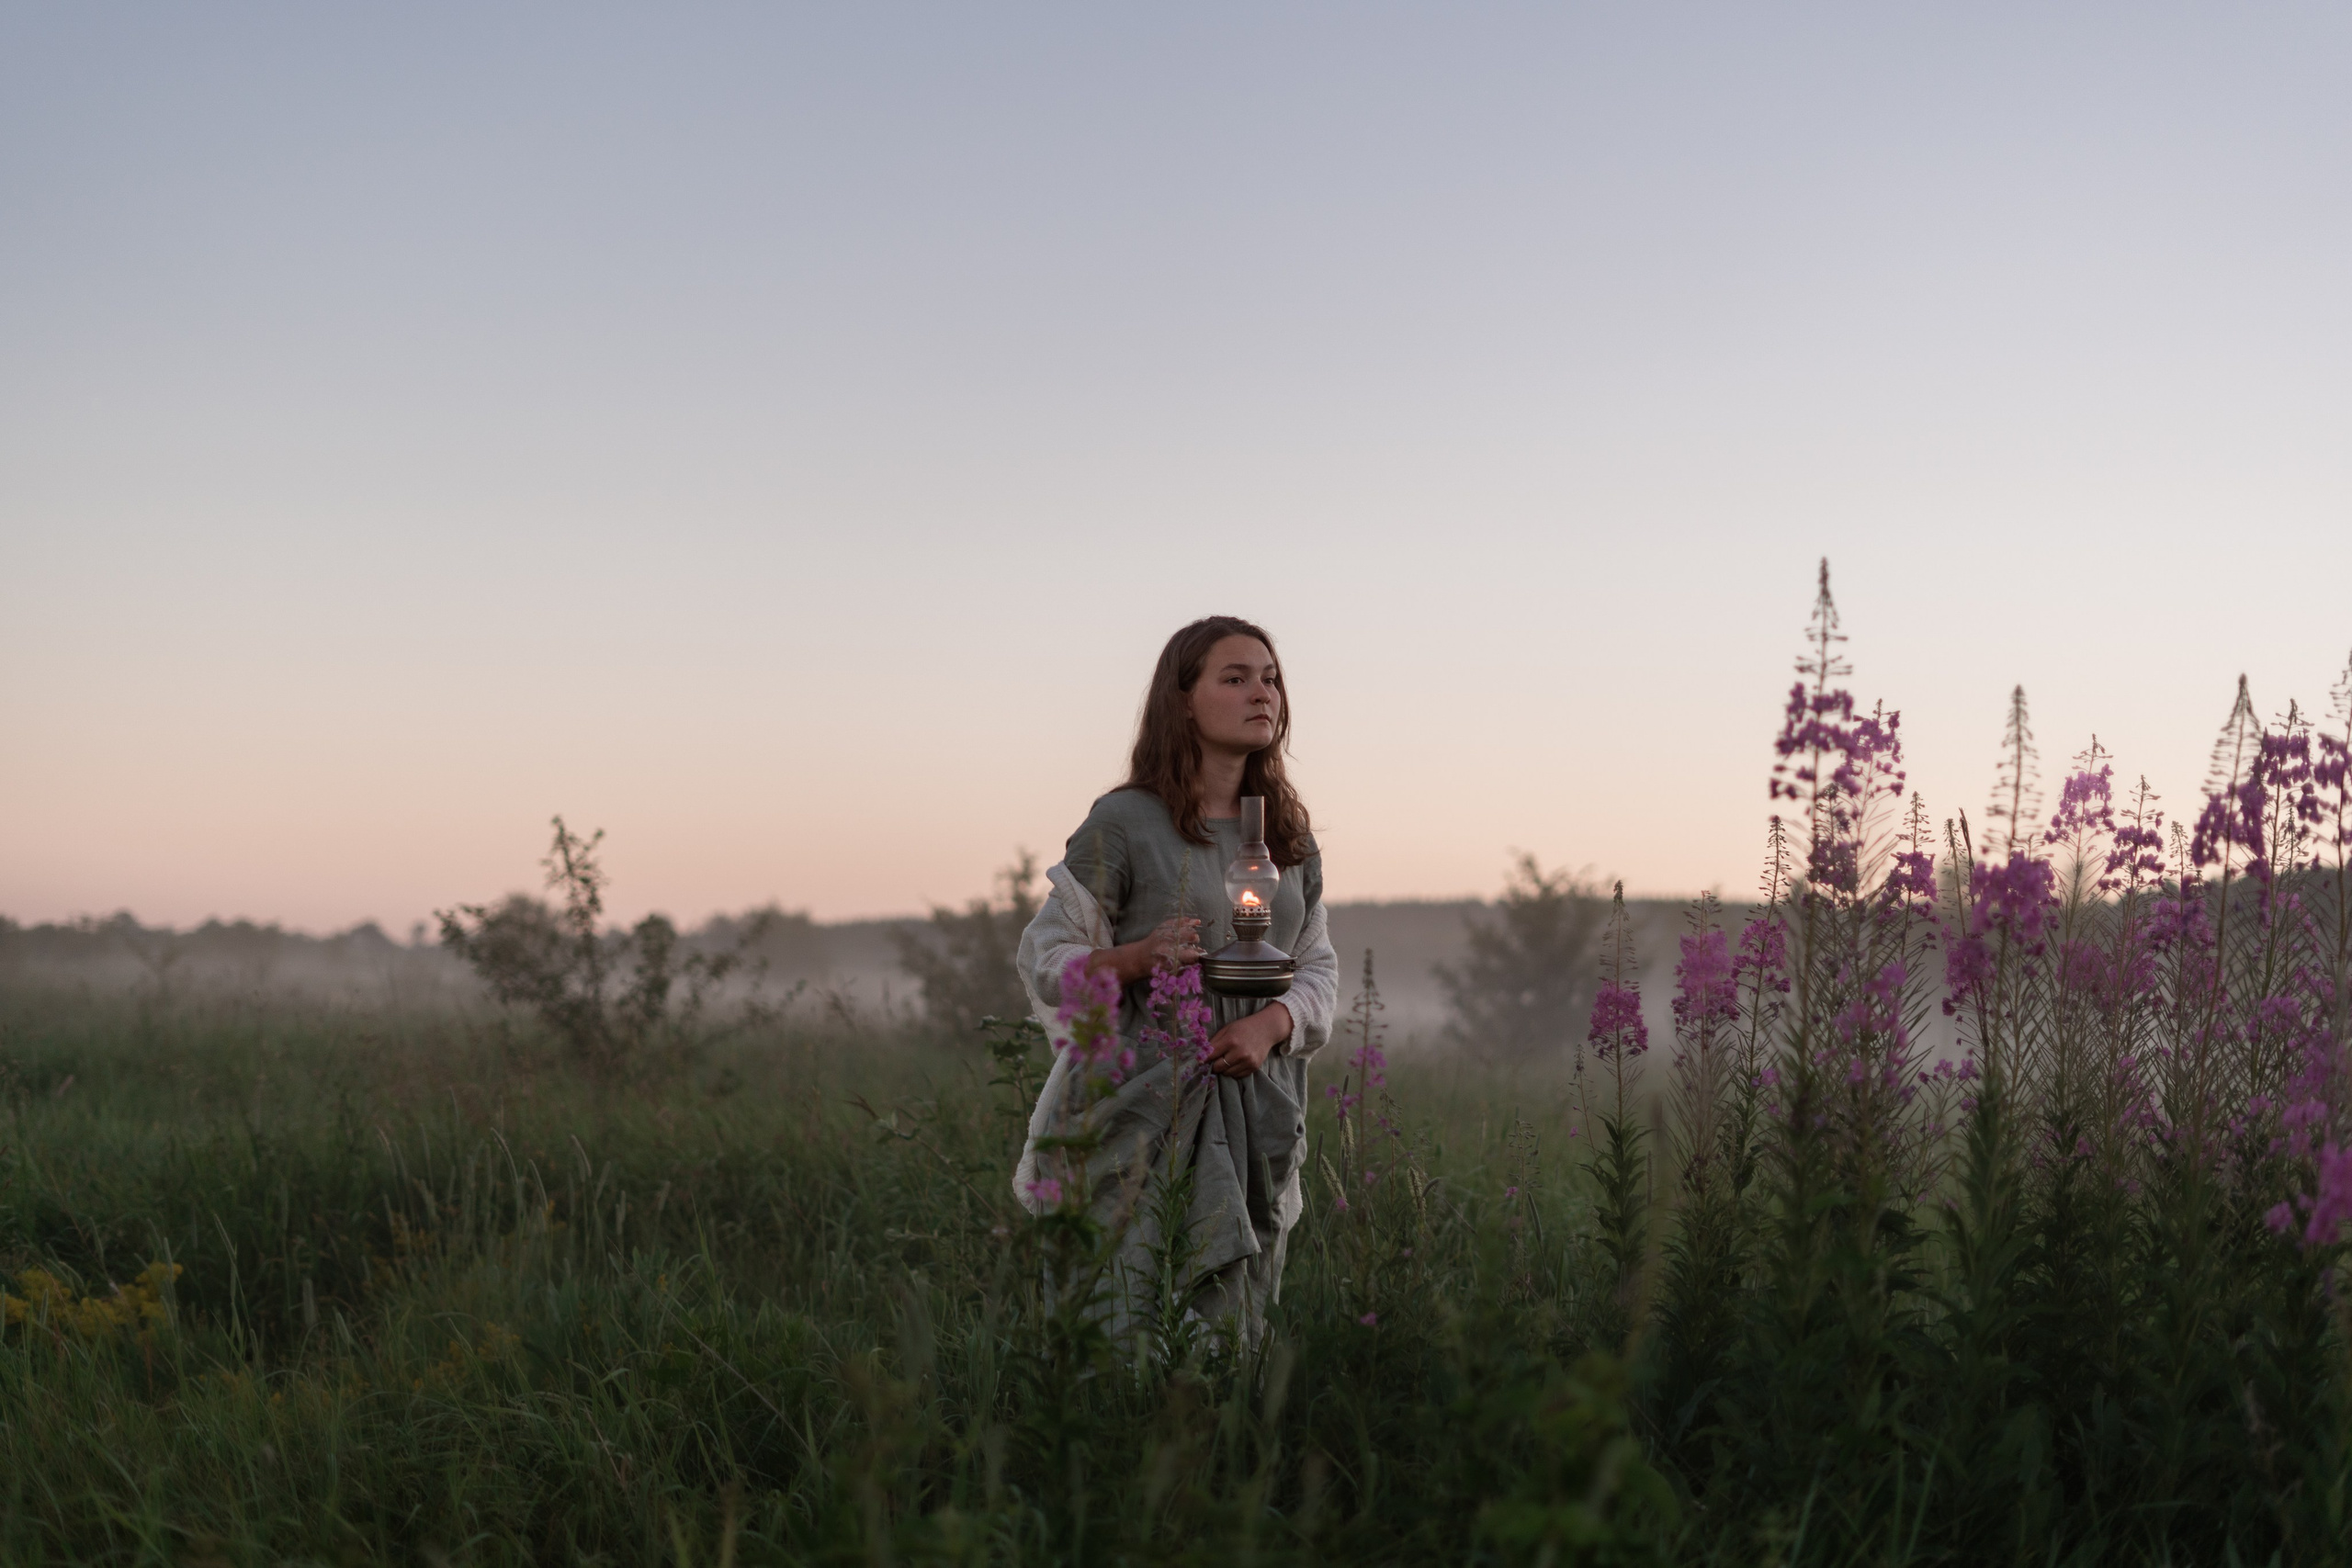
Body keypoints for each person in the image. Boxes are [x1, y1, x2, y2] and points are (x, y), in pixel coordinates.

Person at [1012, 615, 1339, 1345]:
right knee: (1126, 1319)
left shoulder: (1287, 834)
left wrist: (1270, 1025)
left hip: (1259, 1106)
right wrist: (1131, 961)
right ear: (1182, 698)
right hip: (1138, 1110)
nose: (1264, 692)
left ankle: (1217, 1458)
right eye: (1236, 677)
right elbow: (1046, 954)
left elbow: (1317, 966)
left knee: (1234, 1332)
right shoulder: (1126, 821)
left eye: (1272, 677)